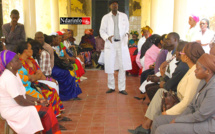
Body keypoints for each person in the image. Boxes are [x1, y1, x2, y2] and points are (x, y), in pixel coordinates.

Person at [129, 42, 205, 134]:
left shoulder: (194, 73)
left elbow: (186, 102)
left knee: (159, 104)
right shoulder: (191, 68)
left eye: (181, 53)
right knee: (160, 91)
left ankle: (147, 125)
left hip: (183, 105)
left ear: (187, 57)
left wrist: (168, 113)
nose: (179, 54)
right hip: (178, 97)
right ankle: (147, 124)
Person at [151, 53, 215, 134]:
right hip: (195, 117)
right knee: (158, 120)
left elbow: (201, 115)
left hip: (207, 124)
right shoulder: (203, 81)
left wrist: (178, 120)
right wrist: (180, 117)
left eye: (197, 69)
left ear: (208, 71)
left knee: (162, 130)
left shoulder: (213, 88)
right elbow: (191, 105)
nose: (195, 71)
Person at [0, 50, 61, 134]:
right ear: (10, 64)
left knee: (47, 106)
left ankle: (49, 131)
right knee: (45, 111)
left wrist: (39, 99)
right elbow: (21, 101)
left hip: (18, 105)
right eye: (17, 60)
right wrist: (37, 104)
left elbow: (23, 94)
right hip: (12, 110)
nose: (20, 61)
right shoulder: (8, 78)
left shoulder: (15, 74)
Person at [100, 0, 131, 95]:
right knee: (110, 65)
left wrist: (126, 33)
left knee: (122, 66)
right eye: (113, 4)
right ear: (110, 6)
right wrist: (106, 37)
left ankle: (122, 88)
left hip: (121, 43)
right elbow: (102, 30)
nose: (115, 6)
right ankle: (111, 87)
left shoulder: (123, 16)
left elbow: (127, 28)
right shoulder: (105, 17)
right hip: (111, 43)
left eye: (116, 4)